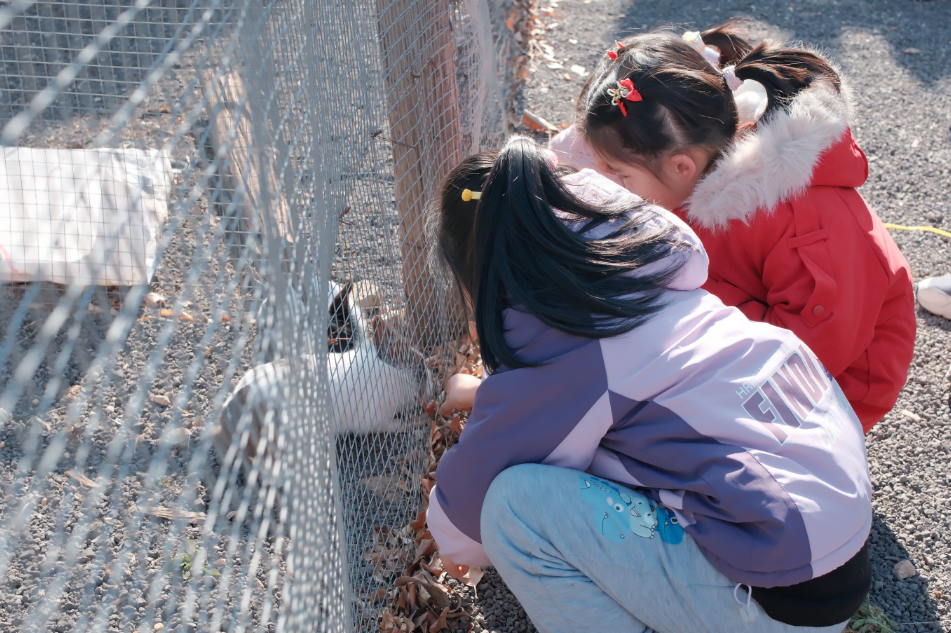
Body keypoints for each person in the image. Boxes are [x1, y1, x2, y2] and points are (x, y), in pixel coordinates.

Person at [427, 136, 872, 633]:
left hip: (773, 602)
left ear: (485, 275)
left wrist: (452, 538)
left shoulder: (581, 344)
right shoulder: (643, 284)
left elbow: (483, 480)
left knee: (514, 507)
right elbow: (564, 394)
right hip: (828, 559)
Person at [550, 23, 916, 433]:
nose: (614, 185)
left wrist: (676, 296)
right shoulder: (693, 139)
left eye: (620, 175)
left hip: (836, 389)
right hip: (765, 320)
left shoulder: (798, 219)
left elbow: (813, 355)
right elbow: (583, 154)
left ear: (680, 168)